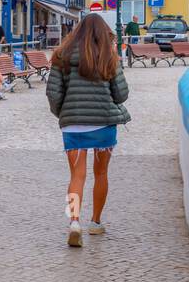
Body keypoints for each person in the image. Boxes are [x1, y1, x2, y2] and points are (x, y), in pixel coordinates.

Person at [47, 15, 131, 248]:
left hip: (73, 124)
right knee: (101, 173)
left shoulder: (61, 56)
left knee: (76, 176)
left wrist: (64, 114)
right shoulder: (108, 57)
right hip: (103, 123)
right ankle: (95, 221)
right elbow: (121, 95)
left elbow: (53, 95)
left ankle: (74, 221)